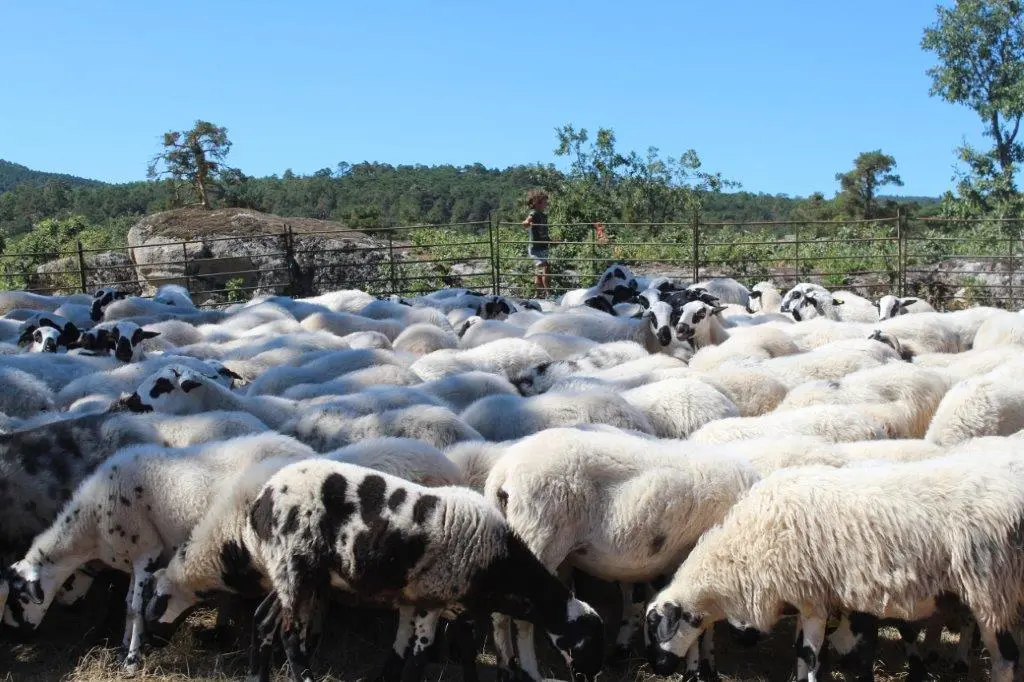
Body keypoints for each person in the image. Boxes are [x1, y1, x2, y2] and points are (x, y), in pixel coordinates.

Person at [522, 189, 553, 296]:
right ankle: (548, 292)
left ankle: (538, 293)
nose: (546, 204)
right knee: (545, 267)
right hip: (535, 248)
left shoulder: (544, 216)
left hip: (543, 247)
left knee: (539, 271)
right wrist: (526, 223)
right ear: (537, 203)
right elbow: (528, 221)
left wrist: (551, 240)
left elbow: (544, 232)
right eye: (545, 202)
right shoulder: (534, 213)